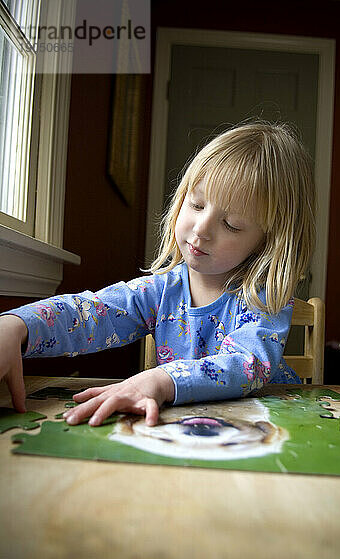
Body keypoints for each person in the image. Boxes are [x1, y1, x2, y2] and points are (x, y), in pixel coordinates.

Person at [0, 121, 315, 428]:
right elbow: (92, 312)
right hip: (184, 430)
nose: (201, 229)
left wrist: (162, 379)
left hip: (267, 429)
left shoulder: (262, 299)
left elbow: (248, 364)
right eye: (196, 204)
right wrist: (18, 325)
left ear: (269, 240)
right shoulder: (160, 291)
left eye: (231, 224)